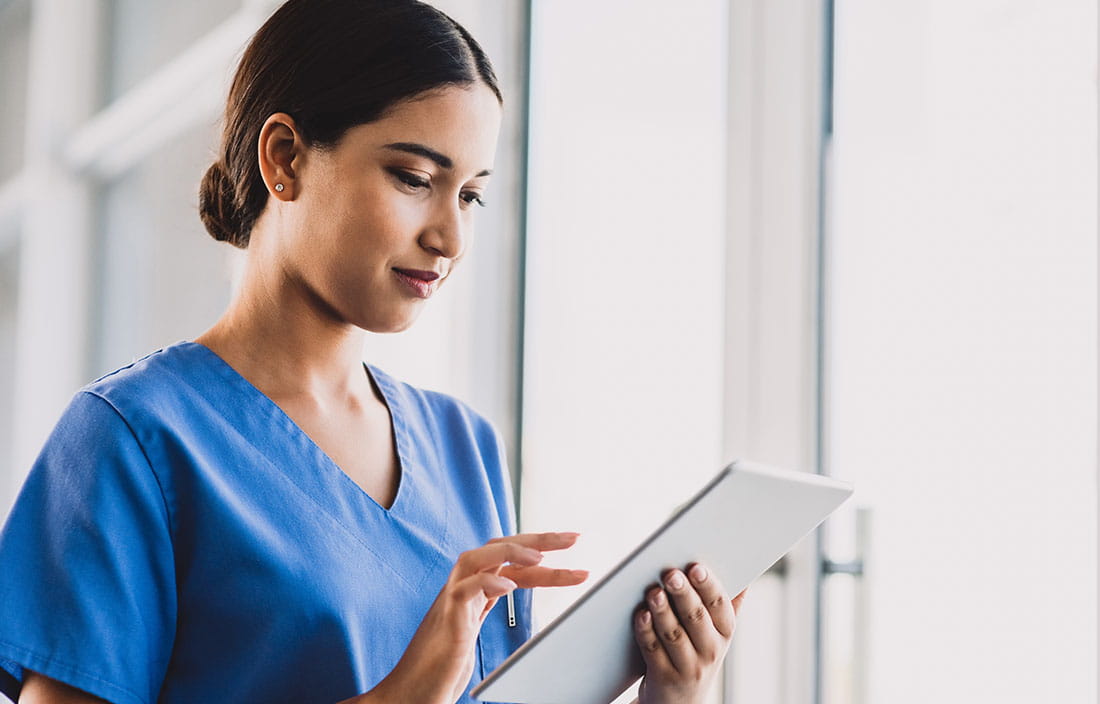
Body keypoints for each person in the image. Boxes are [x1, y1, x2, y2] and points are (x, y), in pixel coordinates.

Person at [0, 1, 744, 702]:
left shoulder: (465, 448)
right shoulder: (132, 440)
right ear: (284, 156)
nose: (448, 239)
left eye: (471, 196)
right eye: (415, 179)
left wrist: (669, 689)